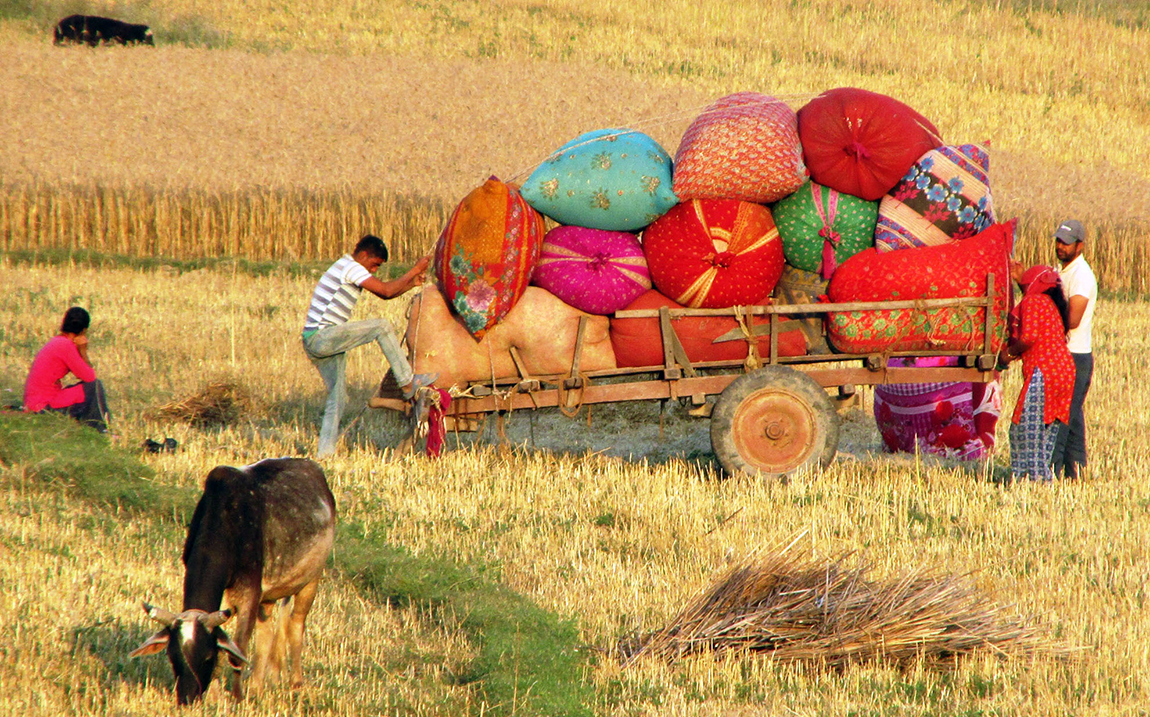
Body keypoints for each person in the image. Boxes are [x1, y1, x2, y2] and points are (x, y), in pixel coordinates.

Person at [302, 234, 436, 457]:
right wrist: (414, 270)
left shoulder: (345, 266)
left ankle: (324, 455)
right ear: (363, 255)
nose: (373, 271)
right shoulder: (351, 267)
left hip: (313, 339)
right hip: (323, 336)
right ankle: (406, 382)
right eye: (374, 265)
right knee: (381, 326)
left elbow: (388, 293)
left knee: (338, 398)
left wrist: (410, 283)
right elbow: (384, 291)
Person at [998, 264, 1075, 482]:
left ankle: (1032, 479)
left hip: (1045, 371)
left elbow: (1029, 337)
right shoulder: (1052, 304)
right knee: (1046, 428)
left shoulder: (1032, 301)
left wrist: (1008, 354)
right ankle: (1040, 477)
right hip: (1065, 371)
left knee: (1024, 430)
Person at [1051, 219, 1097, 479]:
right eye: (1058, 241)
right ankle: (1075, 471)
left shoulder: (1081, 276)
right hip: (1064, 353)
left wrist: (1044, 318)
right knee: (1072, 414)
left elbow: (1073, 320)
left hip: (1076, 354)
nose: (1061, 246)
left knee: (1065, 413)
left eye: (1066, 243)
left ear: (1079, 245)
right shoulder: (1062, 270)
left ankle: (1057, 467)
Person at [23, 306, 112, 433]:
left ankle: (91, 426)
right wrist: (83, 351)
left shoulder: (57, 341)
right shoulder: (66, 346)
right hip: (43, 406)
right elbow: (90, 377)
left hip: (34, 401)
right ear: (84, 330)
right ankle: (102, 429)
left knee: (78, 388)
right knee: (95, 386)